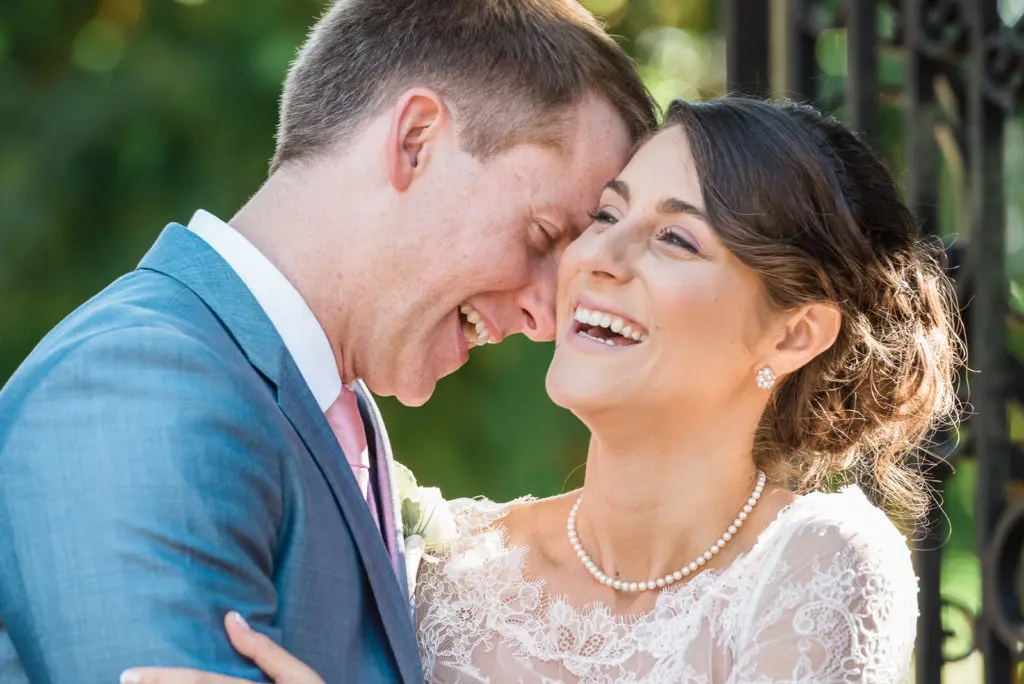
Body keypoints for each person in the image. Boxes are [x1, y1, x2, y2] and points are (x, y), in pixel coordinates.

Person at [124, 96, 962, 684]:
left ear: (793, 333)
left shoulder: (817, 562)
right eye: (605, 215)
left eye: (674, 238)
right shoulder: (448, 571)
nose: (594, 258)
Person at [0, 0, 656, 682]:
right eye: (543, 237)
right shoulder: (139, 387)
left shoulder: (319, 409)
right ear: (416, 140)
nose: (546, 318)